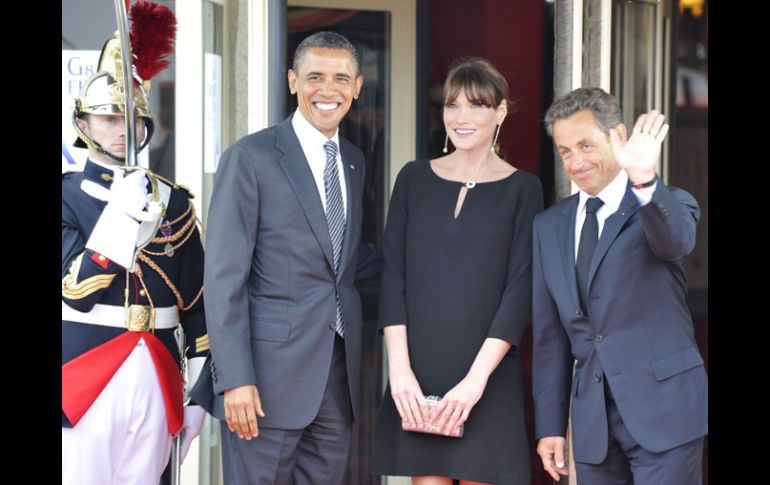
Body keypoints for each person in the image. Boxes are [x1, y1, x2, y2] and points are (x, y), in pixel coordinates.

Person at [201, 31, 380, 484]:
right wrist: (235, 379)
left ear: (357, 86)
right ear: (292, 81)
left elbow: (343, 265)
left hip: (336, 383)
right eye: (314, 76)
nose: (328, 90)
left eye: (341, 78)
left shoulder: (354, 162)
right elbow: (224, 280)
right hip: (263, 383)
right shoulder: (251, 158)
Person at [372, 57, 543, 485]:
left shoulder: (524, 188)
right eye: (452, 105)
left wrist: (474, 382)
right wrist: (400, 372)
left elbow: (519, 289)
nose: (461, 117)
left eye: (477, 106)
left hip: (486, 376)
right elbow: (393, 276)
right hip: (417, 370)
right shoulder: (412, 179)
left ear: (501, 112)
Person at [532, 87, 707, 484]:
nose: (575, 162)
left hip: (665, 414)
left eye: (585, 145)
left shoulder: (666, 203)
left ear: (619, 136)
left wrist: (644, 179)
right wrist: (550, 426)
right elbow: (550, 339)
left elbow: (676, 240)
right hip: (594, 423)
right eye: (565, 151)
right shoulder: (548, 227)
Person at [61, 26, 209, 485]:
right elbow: (77, 291)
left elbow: (198, 306)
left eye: (133, 118)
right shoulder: (66, 195)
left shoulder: (176, 201)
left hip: (158, 371)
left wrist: (202, 393)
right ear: (83, 125)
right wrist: (119, 217)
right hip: (84, 373)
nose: (123, 128)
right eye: (109, 118)